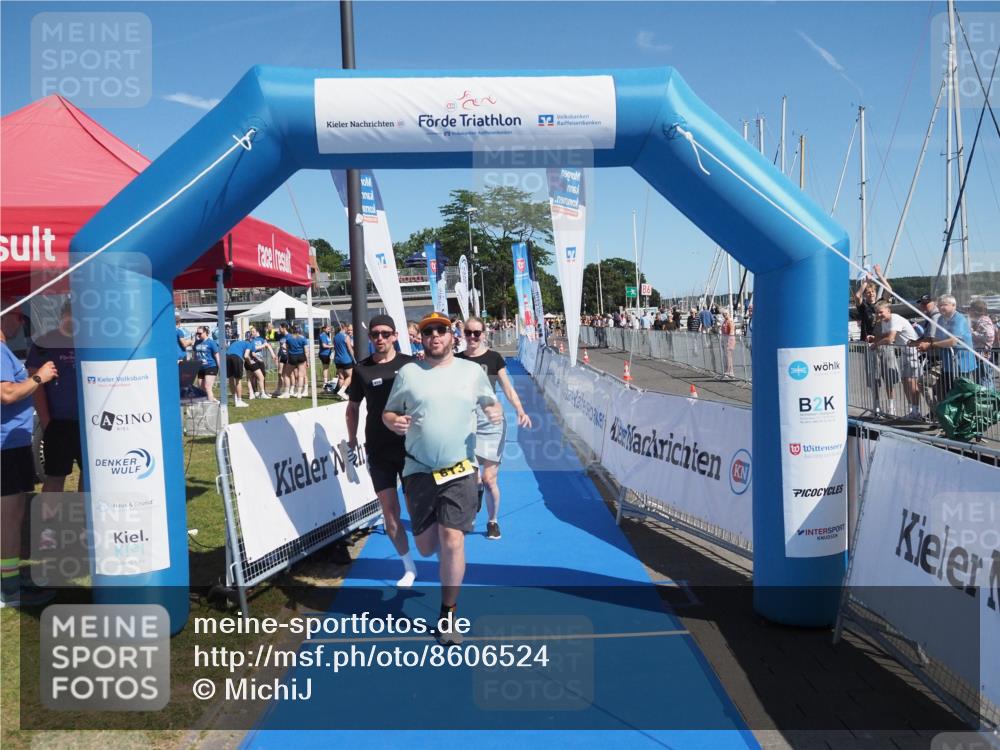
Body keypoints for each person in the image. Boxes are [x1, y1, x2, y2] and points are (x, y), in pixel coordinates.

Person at [383, 312, 502, 645]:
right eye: (428, 332)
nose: (435, 336)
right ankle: (436, 551)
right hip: (418, 469)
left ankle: (448, 612)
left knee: (453, 539)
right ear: (421, 339)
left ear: (453, 336)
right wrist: (393, 421)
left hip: (461, 469)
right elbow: (388, 412)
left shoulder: (473, 372)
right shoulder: (408, 373)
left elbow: (492, 406)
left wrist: (495, 413)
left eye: (441, 331)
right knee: (425, 547)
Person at [346, 315, 417, 587]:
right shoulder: (361, 369)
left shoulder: (410, 364)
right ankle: (408, 567)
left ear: (395, 335)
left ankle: (428, 540)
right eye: (375, 334)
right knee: (390, 512)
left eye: (385, 334)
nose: (379, 338)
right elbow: (352, 409)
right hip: (377, 448)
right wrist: (352, 440)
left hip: (411, 448)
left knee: (414, 508)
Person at [1, 302, 58, 608]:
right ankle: (8, 589)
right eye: (17, 315)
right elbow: (7, 394)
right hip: (5, 446)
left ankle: (9, 580)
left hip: (12, 443)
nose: (21, 322)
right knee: (9, 519)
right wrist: (39, 378)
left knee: (11, 516)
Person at [457, 316, 532, 540]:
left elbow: (507, 387)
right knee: (469, 479)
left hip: (491, 421)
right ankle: (472, 501)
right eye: (468, 332)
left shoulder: (493, 358)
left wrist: (520, 410)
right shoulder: (456, 360)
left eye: (476, 333)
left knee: (489, 478)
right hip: (464, 422)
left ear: (484, 334)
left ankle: (492, 521)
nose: (472, 337)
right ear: (463, 333)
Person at [916, 294, 977, 407]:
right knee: (942, 391)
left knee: (961, 393)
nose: (941, 308)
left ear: (953, 305)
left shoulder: (958, 318)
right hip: (948, 363)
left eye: (944, 305)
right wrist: (923, 343)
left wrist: (931, 345)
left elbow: (953, 341)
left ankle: (961, 419)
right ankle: (942, 416)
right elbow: (938, 337)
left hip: (962, 363)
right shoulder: (941, 319)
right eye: (939, 305)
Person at [871, 300, 923, 421]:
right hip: (904, 352)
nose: (879, 315)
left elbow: (890, 339)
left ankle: (916, 411)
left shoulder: (895, 319)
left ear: (888, 311)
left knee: (912, 382)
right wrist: (874, 338)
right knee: (905, 381)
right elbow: (885, 336)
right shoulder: (885, 321)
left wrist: (876, 344)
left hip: (913, 351)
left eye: (881, 312)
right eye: (877, 313)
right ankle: (912, 411)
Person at [968, 299, 996, 390]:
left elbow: (988, 335)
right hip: (981, 353)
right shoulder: (982, 320)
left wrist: (972, 332)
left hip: (982, 354)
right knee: (983, 377)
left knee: (984, 377)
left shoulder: (984, 320)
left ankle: (987, 398)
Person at [193, 326, 221, 402]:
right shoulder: (197, 342)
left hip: (211, 366)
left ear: (205, 332)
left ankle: (211, 406)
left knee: (207, 387)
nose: (198, 335)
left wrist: (220, 368)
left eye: (200, 333)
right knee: (201, 388)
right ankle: (209, 401)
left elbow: (216, 355)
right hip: (200, 368)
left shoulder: (211, 342)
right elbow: (195, 355)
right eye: (197, 333)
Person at [226, 336, 253, 407]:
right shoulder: (249, 344)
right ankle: (239, 400)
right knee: (238, 380)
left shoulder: (237, 342)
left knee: (231, 378)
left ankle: (234, 398)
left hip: (227, 356)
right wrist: (250, 363)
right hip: (236, 357)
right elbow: (246, 356)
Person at [246, 326, 272, 400]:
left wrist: (272, 354)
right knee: (253, 377)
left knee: (262, 376)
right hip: (253, 360)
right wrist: (262, 346)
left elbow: (267, 345)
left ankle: (263, 391)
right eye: (251, 332)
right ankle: (256, 391)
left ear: (257, 332)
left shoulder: (261, 339)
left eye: (253, 331)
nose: (252, 333)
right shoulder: (251, 340)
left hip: (260, 360)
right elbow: (253, 350)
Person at [330, 323, 355, 399]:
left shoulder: (335, 337)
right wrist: (354, 357)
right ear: (344, 327)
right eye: (347, 328)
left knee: (341, 378)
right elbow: (350, 348)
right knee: (350, 376)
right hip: (346, 359)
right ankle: (342, 391)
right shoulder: (346, 337)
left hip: (337, 360)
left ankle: (342, 395)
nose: (348, 329)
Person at [284, 325, 309, 398]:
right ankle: (299, 393)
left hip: (292, 357)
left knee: (286, 375)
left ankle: (287, 392)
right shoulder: (303, 338)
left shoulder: (288, 338)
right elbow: (306, 351)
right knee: (301, 375)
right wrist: (307, 361)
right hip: (301, 357)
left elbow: (287, 350)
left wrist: (288, 358)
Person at [719, 308, 736, 379]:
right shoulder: (725, 321)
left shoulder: (730, 321)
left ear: (728, 313)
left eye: (725, 314)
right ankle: (728, 371)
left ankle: (730, 372)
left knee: (729, 356)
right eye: (723, 314)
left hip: (729, 340)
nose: (724, 315)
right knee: (726, 356)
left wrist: (728, 342)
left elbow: (731, 332)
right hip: (725, 339)